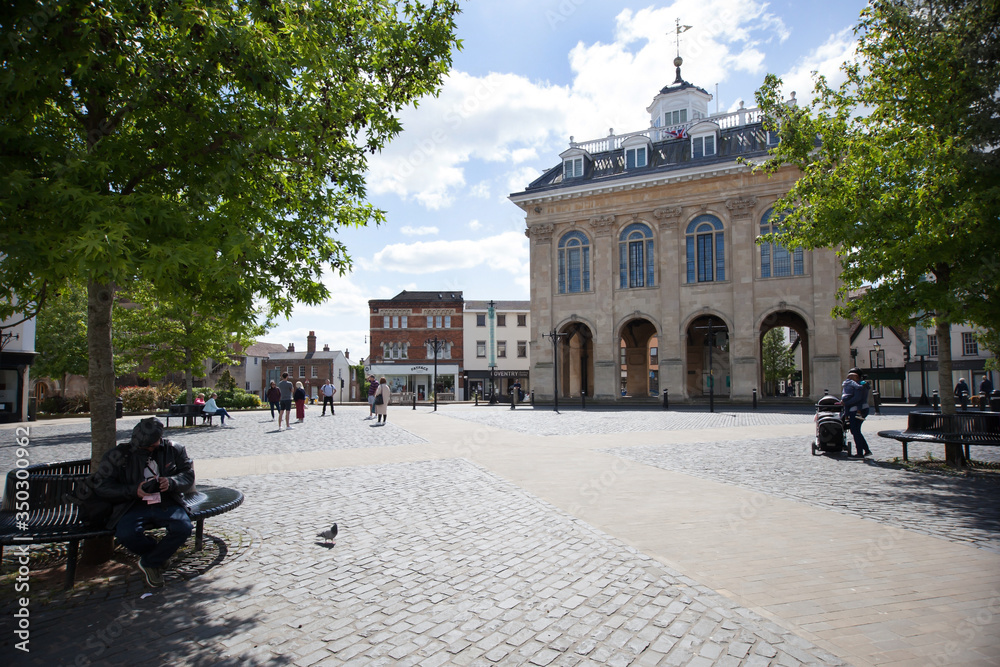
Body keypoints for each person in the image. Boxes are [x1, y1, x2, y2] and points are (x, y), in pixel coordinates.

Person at [94, 417, 195, 588]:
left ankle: (149, 562)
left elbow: (187, 475)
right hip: (133, 504)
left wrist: (171, 482)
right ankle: (157, 557)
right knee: (127, 534)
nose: (148, 449)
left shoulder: (174, 449)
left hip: (166, 501)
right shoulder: (120, 455)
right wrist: (133, 490)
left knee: (183, 528)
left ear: (159, 439)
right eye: (143, 447)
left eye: (151, 446)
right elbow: (102, 486)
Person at [842, 368, 871, 458]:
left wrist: (845, 402)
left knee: (855, 430)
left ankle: (860, 452)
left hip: (857, 410)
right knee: (855, 430)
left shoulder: (858, 385)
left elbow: (857, 398)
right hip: (862, 409)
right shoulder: (861, 384)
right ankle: (866, 450)